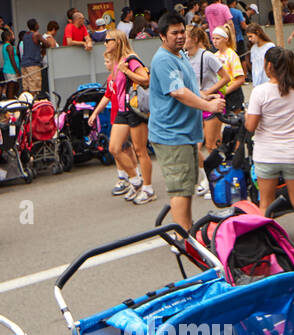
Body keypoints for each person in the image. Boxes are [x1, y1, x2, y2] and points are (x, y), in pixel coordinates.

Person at [150, 12, 225, 230]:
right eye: (174, 33)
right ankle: (183, 237)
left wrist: (203, 96)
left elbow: (188, 87)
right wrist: (209, 106)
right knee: (180, 189)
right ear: (163, 36)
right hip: (172, 135)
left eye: (182, 31)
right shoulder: (163, 59)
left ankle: (186, 228)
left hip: (185, 133)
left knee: (187, 186)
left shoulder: (179, 54)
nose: (180, 36)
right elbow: (178, 92)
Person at [245, 47, 294, 233]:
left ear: (268, 66)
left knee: (265, 204)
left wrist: (247, 115)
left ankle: (264, 246)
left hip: (267, 154)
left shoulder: (260, 92)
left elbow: (250, 126)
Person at [88, 30, 154, 205]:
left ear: (117, 42)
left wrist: (126, 71)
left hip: (134, 108)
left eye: (108, 40)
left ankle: (148, 188)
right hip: (122, 111)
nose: (105, 43)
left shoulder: (131, 59)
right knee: (114, 148)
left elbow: (145, 80)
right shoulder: (117, 61)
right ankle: (135, 179)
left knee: (140, 150)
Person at [185, 23, 229, 197]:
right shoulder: (184, 57)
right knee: (193, 147)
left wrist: (208, 92)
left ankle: (216, 180)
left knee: (211, 145)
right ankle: (207, 177)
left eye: (186, 36)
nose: (182, 39)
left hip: (212, 103)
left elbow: (226, 77)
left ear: (195, 39)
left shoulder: (207, 56)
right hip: (196, 104)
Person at [209, 25, 245, 112]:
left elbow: (240, 79)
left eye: (217, 38)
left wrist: (226, 91)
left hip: (233, 94)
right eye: (213, 38)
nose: (214, 41)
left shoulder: (231, 55)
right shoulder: (214, 55)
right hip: (220, 94)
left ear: (226, 39)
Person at [19, 19, 44, 95]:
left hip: (24, 63)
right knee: (34, 86)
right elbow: (47, 43)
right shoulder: (36, 35)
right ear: (35, 25)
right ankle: (33, 103)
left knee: (26, 86)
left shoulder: (25, 35)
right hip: (33, 63)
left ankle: (26, 103)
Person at [0, 28, 19, 99]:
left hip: (9, 69)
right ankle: (11, 101)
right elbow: (12, 59)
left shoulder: (5, 46)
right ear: (8, 37)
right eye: (12, 35)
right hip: (10, 69)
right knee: (11, 87)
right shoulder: (9, 47)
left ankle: (12, 99)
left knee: (13, 86)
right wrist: (17, 70)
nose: (13, 37)